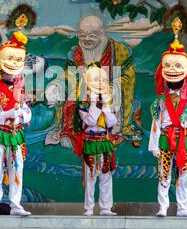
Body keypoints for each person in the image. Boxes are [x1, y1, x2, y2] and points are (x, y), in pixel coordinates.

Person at [45, 15, 141, 149]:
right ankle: (71, 134)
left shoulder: (120, 52)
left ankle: (109, 133)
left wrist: (112, 88)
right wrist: (57, 86)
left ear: (101, 34)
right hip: (83, 91)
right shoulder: (77, 52)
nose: (86, 39)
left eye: (91, 35)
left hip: (108, 90)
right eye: (83, 35)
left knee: (107, 104)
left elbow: (128, 77)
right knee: (71, 103)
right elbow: (70, 75)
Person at [0, 6, 36, 216]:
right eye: (9, 60)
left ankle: (15, 204)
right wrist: (6, 114)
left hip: (17, 134)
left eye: (17, 61)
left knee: (17, 168)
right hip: (1, 134)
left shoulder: (21, 88)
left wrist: (21, 112)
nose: (13, 66)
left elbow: (28, 114)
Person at [148, 18, 187, 217]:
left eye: (178, 67)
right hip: (164, 138)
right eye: (168, 67)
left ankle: (182, 207)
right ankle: (163, 206)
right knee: (164, 173)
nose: (172, 70)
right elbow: (155, 124)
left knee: (183, 174)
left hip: (183, 138)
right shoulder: (160, 101)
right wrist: (153, 145)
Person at [74, 62, 120, 216]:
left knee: (106, 176)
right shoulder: (84, 103)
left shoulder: (110, 101)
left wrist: (105, 107)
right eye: (95, 80)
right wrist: (95, 103)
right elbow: (90, 121)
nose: (100, 83)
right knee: (90, 177)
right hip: (91, 142)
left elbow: (113, 122)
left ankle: (106, 208)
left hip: (104, 142)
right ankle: (89, 208)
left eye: (102, 80)